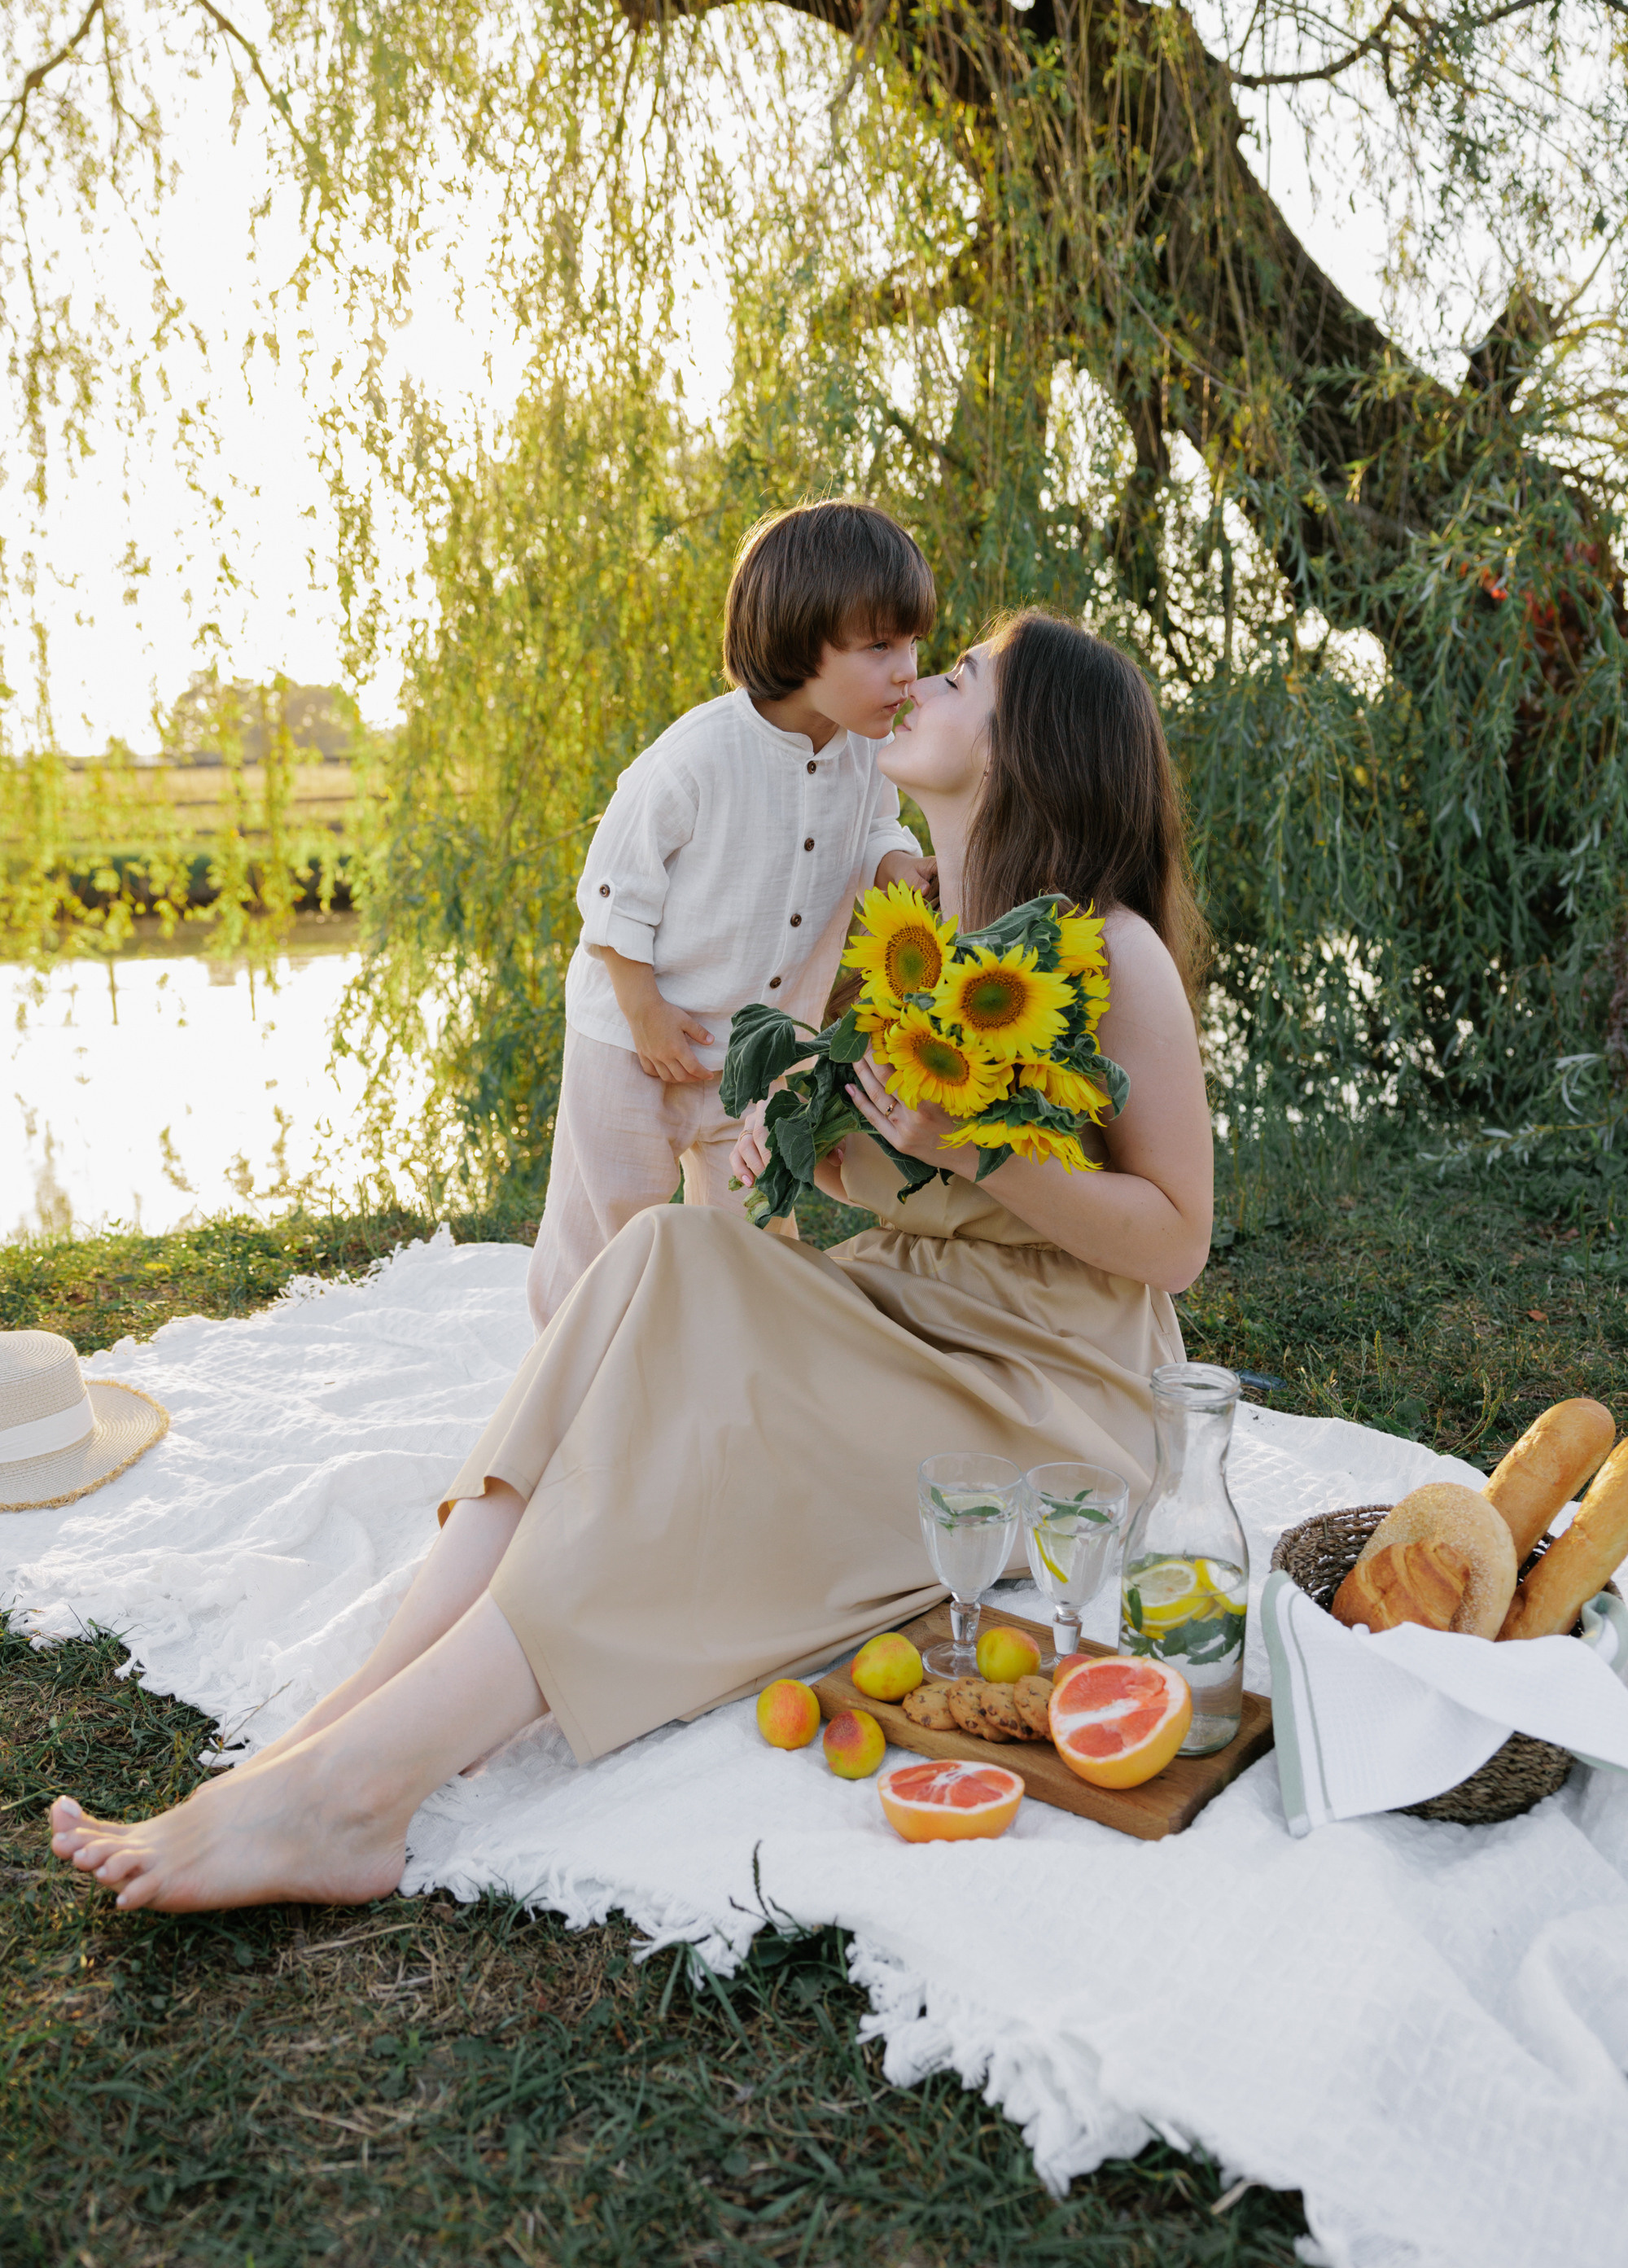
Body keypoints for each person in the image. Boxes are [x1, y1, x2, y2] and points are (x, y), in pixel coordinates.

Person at [50, 612, 1214, 1913]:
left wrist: (982, 1150)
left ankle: (360, 1789)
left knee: (695, 1438)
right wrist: (816, 1138)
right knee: (666, 1247)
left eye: (960, 679)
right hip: (908, 1315)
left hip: (1048, 1391)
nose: (917, 685)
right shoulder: (914, 926)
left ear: (1025, 751)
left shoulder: (1110, 953)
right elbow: (889, 1181)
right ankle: (344, 1715)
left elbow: (1176, 1239)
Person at [527, 499, 936, 1330]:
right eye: (879, 647)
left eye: (913, 643)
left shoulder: (865, 757)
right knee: (603, 1228)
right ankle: (565, 1391)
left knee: (752, 1231)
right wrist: (643, 1012)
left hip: (759, 1049)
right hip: (636, 1038)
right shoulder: (695, 757)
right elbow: (613, 891)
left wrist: (893, 864)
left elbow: (877, 826)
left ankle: (723, 1381)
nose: (909, 671)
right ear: (799, 641)